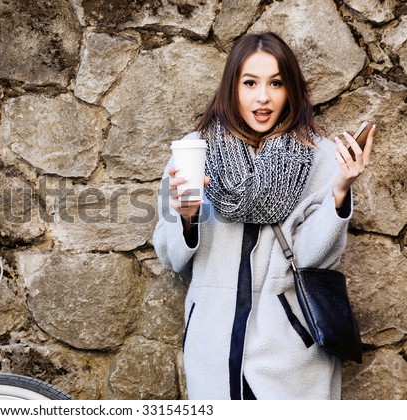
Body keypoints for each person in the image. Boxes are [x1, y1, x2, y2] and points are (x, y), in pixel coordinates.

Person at [152, 32, 375, 400]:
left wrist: (339, 190)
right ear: (231, 87)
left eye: (276, 83)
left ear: (291, 90)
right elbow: (171, 256)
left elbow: (315, 258)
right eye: (250, 83)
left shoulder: (317, 157)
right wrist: (187, 218)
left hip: (291, 353)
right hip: (214, 348)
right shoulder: (193, 153)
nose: (263, 97)